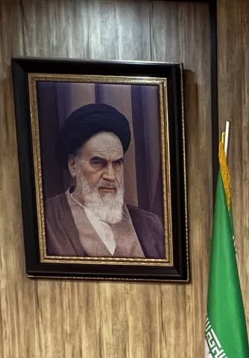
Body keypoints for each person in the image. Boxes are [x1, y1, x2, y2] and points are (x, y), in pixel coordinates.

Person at [43, 102, 165, 259]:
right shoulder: (45, 219)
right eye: (98, 163)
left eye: (117, 163)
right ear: (73, 165)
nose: (111, 176)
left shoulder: (150, 225)